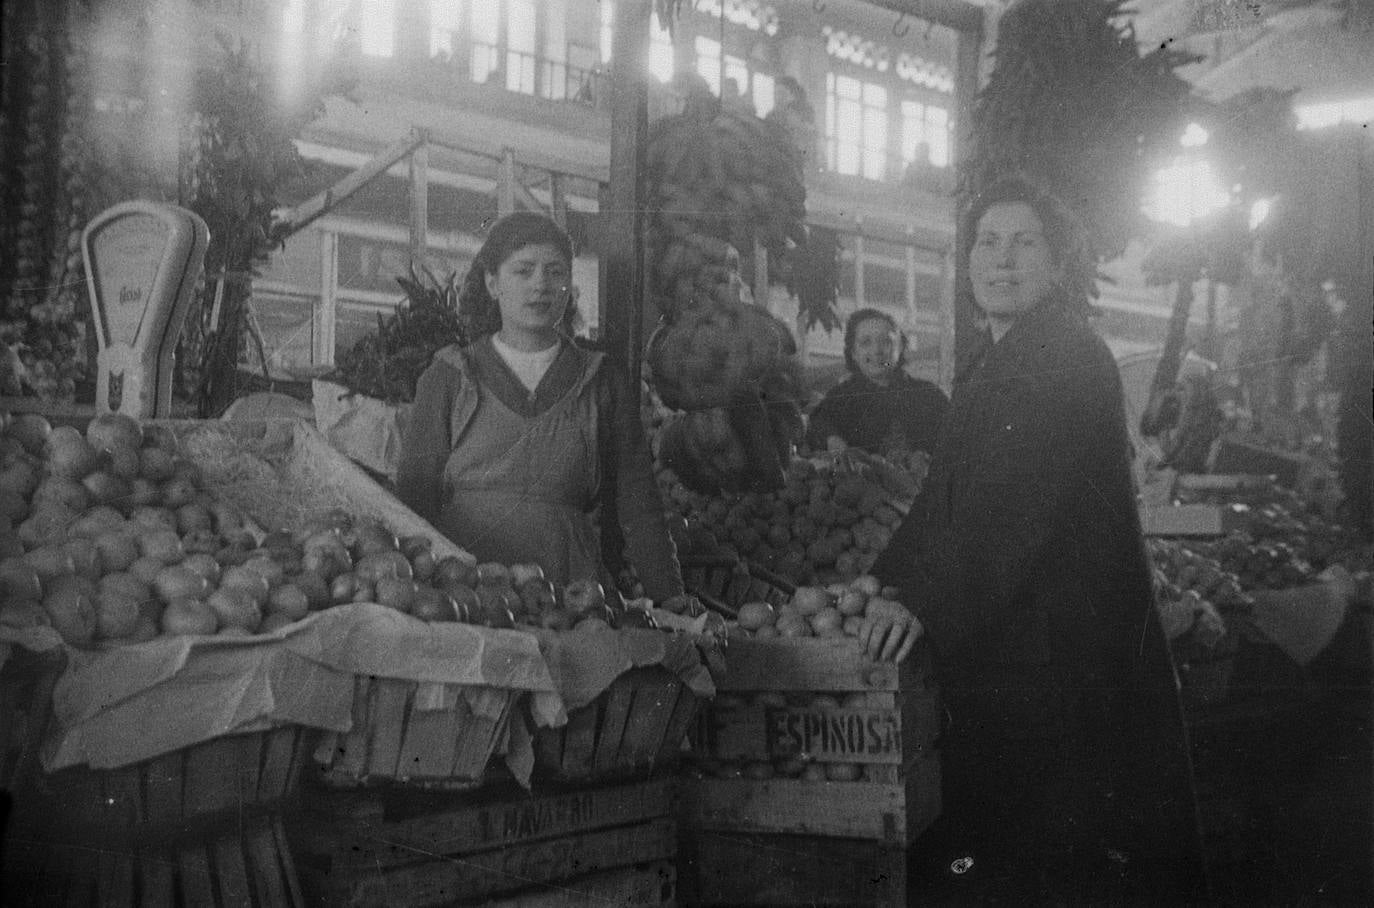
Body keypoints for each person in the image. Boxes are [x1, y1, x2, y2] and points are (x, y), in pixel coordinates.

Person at [864, 177, 1209, 903]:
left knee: (1059, 859)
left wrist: (919, 599)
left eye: (1025, 243)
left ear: (1058, 263)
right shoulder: (1005, 358)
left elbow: (1007, 506)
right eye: (988, 242)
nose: (1003, 259)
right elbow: (944, 496)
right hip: (1027, 649)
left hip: (1065, 661)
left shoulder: (1063, 357)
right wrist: (883, 577)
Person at [395, 212, 684, 602]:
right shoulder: (450, 375)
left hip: (569, 591)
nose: (540, 286)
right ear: (492, 283)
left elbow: (639, 505)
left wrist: (671, 599)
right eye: (523, 271)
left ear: (569, 285)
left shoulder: (602, 380)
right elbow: (414, 498)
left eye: (554, 272)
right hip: (463, 593)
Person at [805, 308, 949, 458]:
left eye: (886, 341)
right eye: (865, 343)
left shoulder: (930, 395)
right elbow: (817, 425)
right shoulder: (840, 397)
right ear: (854, 353)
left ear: (900, 347)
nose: (876, 350)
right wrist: (831, 438)